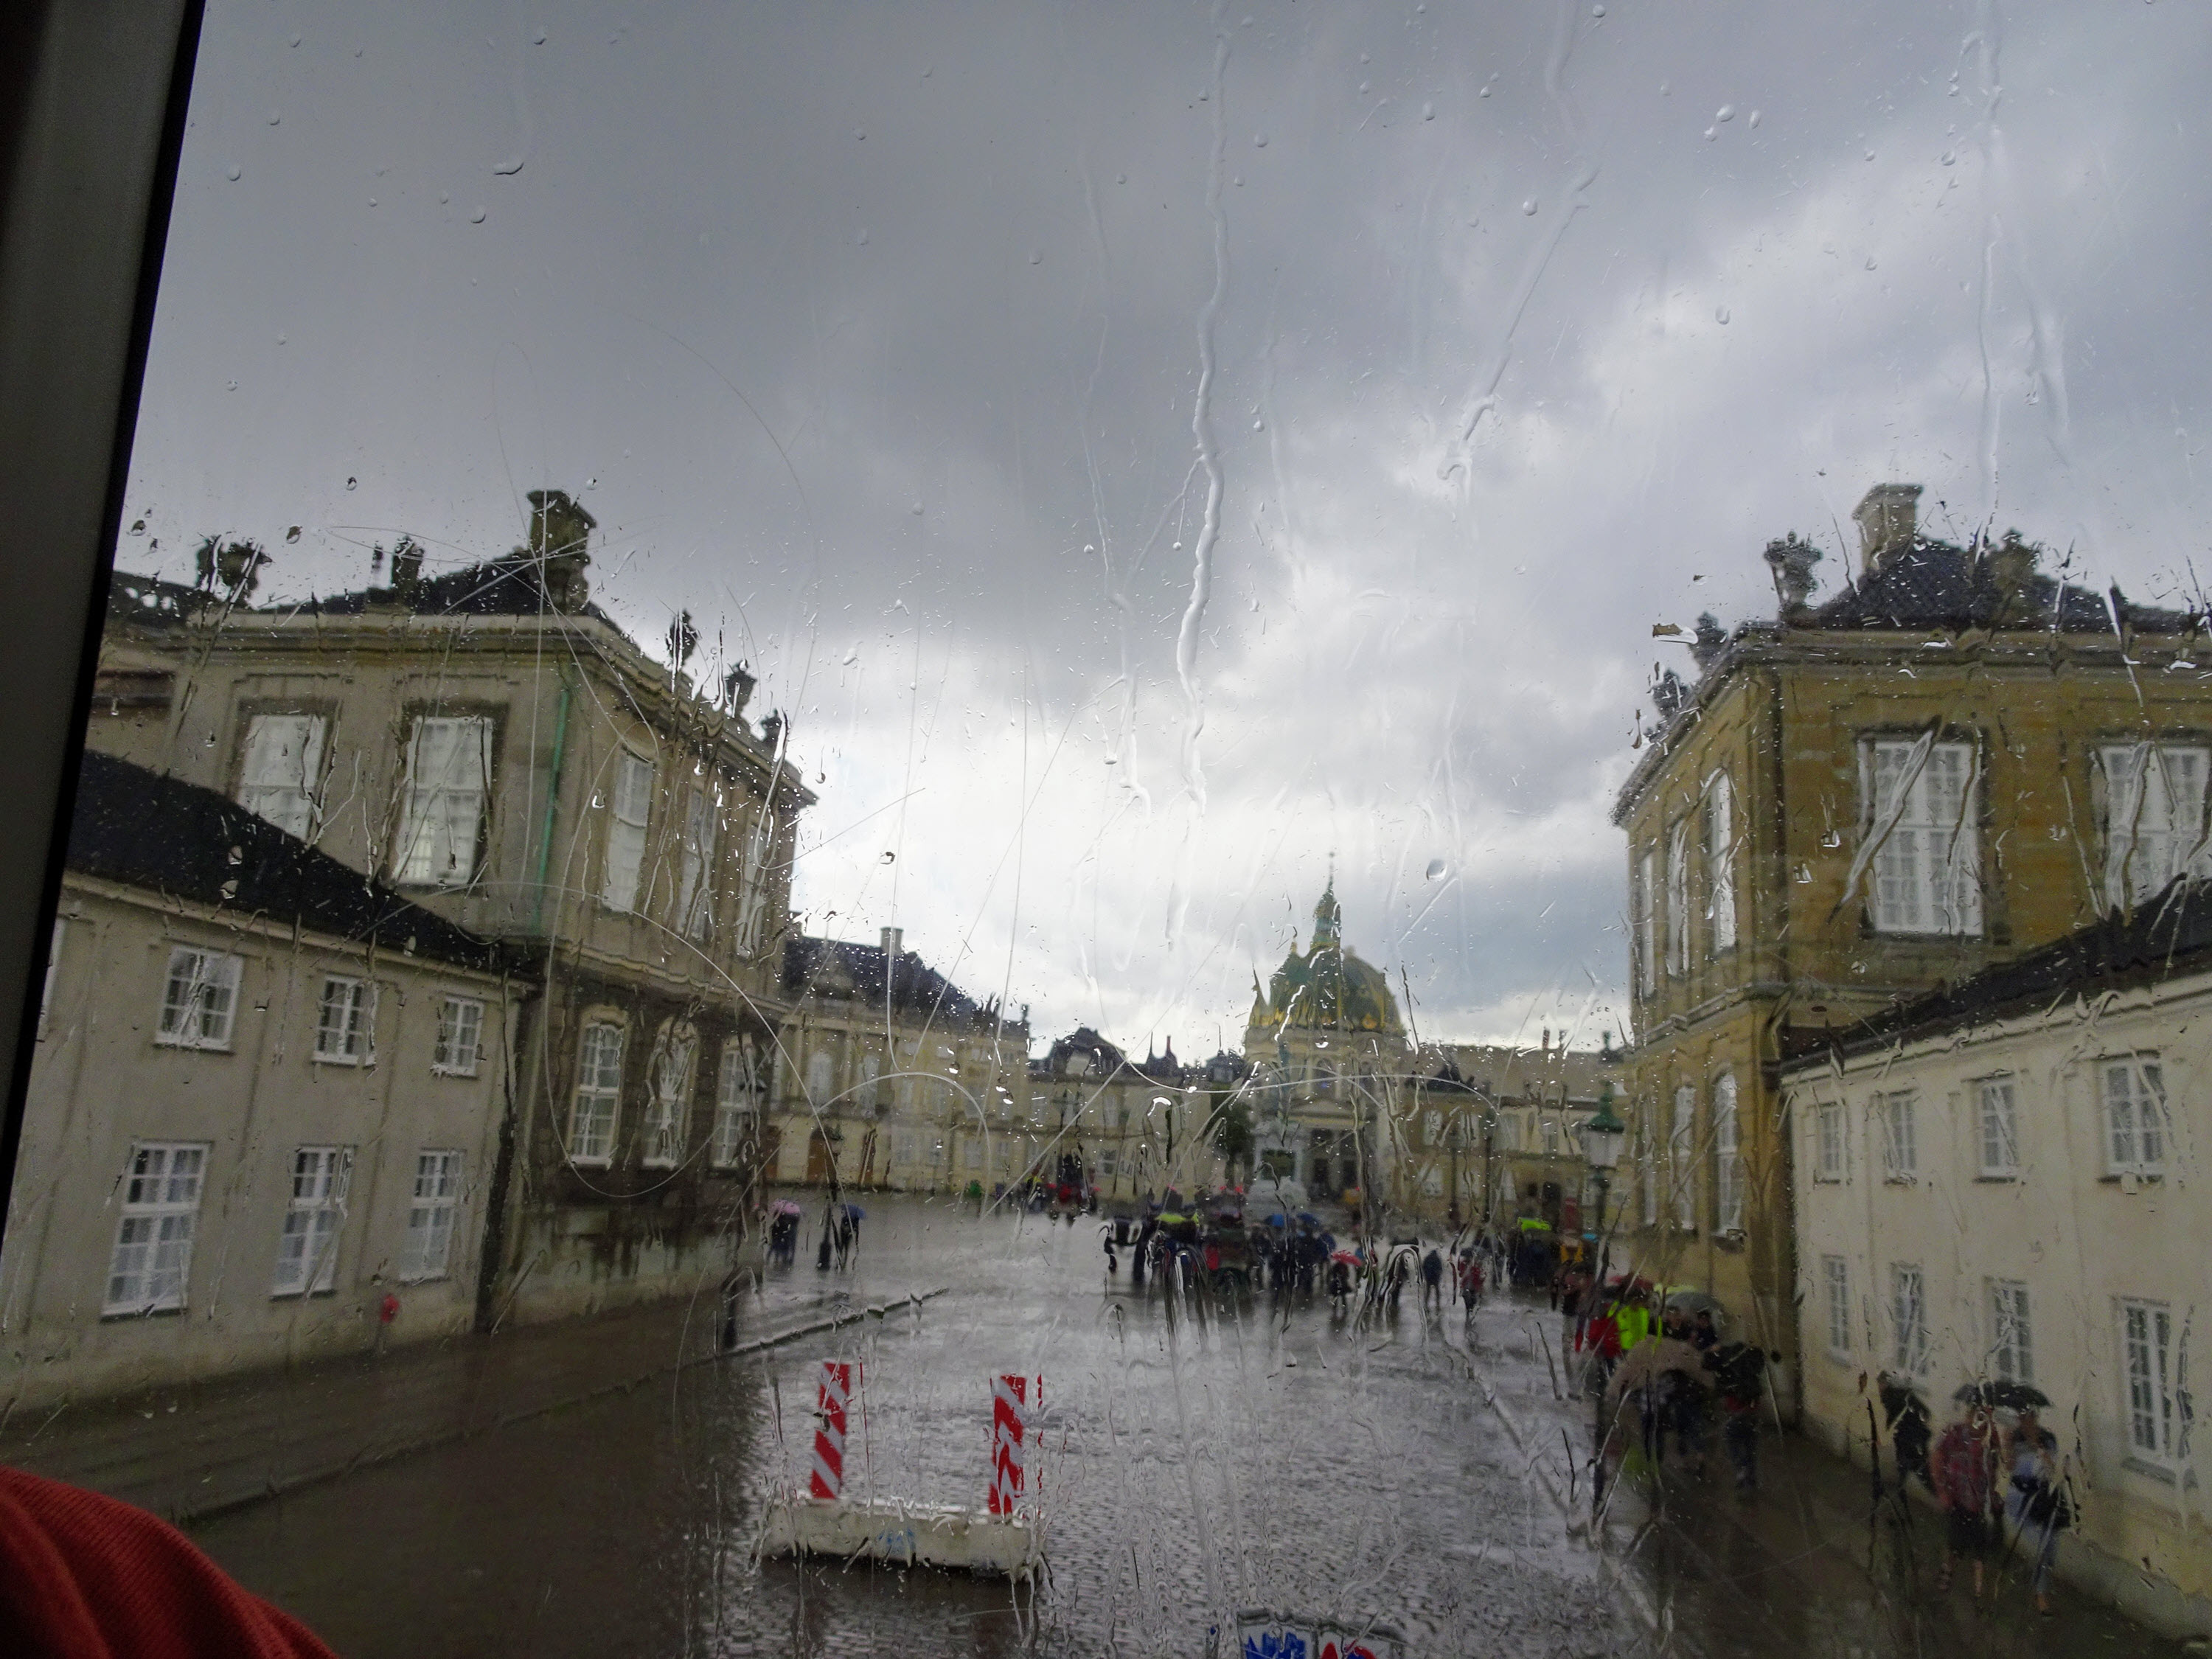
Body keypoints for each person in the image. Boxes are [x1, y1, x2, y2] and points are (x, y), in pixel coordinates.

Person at [1930, 1402, 2000, 1596]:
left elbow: (1996, 1468)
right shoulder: (1954, 1433)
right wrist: (1942, 1491)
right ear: (1968, 1417)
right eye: (1975, 1417)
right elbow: (1936, 1457)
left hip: (1980, 1504)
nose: (1978, 1423)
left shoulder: (1990, 1439)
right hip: (1957, 1499)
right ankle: (1948, 1571)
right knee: (1955, 1542)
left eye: (1983, 1419)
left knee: (1980, 1549)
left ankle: (1979, 1593)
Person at [2006, 1407, 2066, 1617]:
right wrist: (2007, 1446)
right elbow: (2009, 1467)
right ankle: (2040, 1592)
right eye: (2021, 1418)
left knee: (2048, 1547)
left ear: (2035, 1417)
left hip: (2042, 1499)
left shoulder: (2047, 1438)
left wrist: (2037, 1447)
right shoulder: (2014, 1437)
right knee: (2042, 1546)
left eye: (2028, 1418)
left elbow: (2052, 1469)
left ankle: (2039, 1588)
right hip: (2020, 1501)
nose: (2024, 1422)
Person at [1709, 1340, 1767, 1496]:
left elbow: (1721, 1392)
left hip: (1738, 1416)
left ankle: (1742, 1471)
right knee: (1750, 1449)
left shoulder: (1731, 1375)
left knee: (1731, 1442)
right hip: (1752, 1416)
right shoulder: (1751, 1375)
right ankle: (1751, 1480)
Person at [1420, 1247, 1445, 1312]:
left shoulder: (1427, 1258)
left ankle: (1426, 1304)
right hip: (1436, 1278)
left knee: (1428, 1291)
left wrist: (1425, 1275)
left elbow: (1423, 1267)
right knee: (1437, 1292)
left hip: (1429, 1278)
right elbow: (1440, 1269)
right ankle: (1438, 1304)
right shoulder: (1437, 1259)